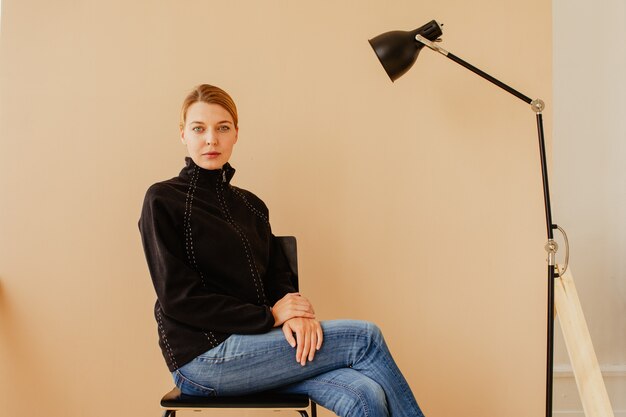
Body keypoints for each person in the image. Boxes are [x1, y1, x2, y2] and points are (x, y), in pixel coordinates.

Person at [138, 84, 426, 417]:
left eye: (223, 128)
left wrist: (298, 315)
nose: (211, 139)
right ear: (183, 135)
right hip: (203, 359)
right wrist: (271, 316)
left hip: (264, 350)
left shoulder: (252, 207)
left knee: (364, 393)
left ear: (236, 134)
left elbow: (278, 278)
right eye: (199, 128)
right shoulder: (163, 200)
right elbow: (179, 298)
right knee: (365, 338)